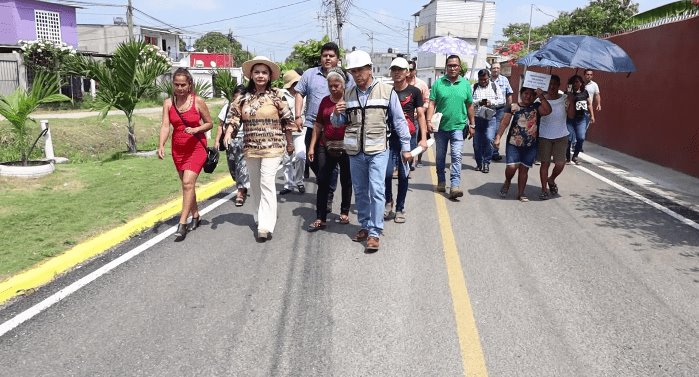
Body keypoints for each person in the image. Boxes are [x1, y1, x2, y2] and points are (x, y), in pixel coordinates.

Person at [343, 50, 412, 253]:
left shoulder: (386, 91)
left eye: (360, 70)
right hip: (355, 151)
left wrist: (406, 148)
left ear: (370, 69)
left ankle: (374, 232)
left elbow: (399, 121)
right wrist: (336, 116)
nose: (356, 75)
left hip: (378, 149)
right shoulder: (348, 93)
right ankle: (364, 225)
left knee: (377, 190)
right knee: (361, 191)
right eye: (353, 71)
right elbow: (343, 122)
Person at [223, 56, 294, 242]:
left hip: (274, 146)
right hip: (251, 147)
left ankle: (266, 225)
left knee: (267, 181)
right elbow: (234, 118)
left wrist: (290, 143)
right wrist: (228, 132)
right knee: (254, 184)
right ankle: (258, 215)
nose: (260, 75)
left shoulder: (278, 95)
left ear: (270, 76)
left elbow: (287, 120)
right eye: (257, 72)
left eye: (264, 72)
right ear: (251, 75)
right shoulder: (242, 98)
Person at [158, 68, 214, 241]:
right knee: (186, 184)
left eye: (183, 84)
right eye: (177, 84)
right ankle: (196, 214)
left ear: (190, 84)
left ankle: (182, 224)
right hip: (178, 149)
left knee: (188, 183)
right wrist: (161, 144)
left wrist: (197, 128)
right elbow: (166, 126)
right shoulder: (168, 103)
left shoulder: (198, 101)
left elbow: (210, 123)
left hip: (196, 147)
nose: (180, 88)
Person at [306, 68, 353, 231]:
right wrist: (312, 146)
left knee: (346, 179)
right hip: (325, 145)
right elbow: (318, 124)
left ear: (343, 84)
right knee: (323, 179)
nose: (333, 88)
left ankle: (344, 212)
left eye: (337, 85)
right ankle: (320, 217)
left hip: (347, 147)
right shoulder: (325, 101)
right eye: (331, 85)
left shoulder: (351, 101)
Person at [425, 54, 475, 200]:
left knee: (456, 156)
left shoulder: (465, 84)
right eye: (450, 65)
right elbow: (432, 103)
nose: (453, 68)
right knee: (440, 156)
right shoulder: (438, 84)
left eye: (455, 65)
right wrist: (428, 121)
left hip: (458, 127)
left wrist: (472, 124)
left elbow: (470, 105)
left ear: (460, 67)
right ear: (446, 67)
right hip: (440, 128)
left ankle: (455, 185)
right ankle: (441, 180)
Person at [384, 57, 427, 223]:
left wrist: (423, 138)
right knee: (387, 173)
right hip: (388, 138)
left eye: (400, 69)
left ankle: (400, 208)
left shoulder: (414, 92)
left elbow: (421, 115)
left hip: (408, 138)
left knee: (403, 175)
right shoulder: (386, 92)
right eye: (394, 69)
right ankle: (389, 202)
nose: (397, 72)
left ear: (407, 72)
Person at [493, 86, 551, 202]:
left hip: (530, 145)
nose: (528, 96)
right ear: (520, 93)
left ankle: (521, 193)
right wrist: (498, 137)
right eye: (525, 93)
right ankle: (507, 181)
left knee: (524, 170)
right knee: (512, 167)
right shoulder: (513, 107)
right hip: (513, 144)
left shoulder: (536, 107)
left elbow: (548, 111)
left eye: (531, 94)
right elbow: (504, 123)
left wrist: (541, 96)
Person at [214, 85, 250, 207]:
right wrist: (217, 141)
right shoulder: (227, 107)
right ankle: (241, 184)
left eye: (240, 98)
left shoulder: (248, 107)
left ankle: (240, 192)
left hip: (244, 140)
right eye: (235, 97)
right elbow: (220, 125)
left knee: (242, 165)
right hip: (229, 140)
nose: (237, 100)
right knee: (233, 167)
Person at [537, 75, 569, 200]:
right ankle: (544, 189)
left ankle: (551, 179)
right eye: (550, 84)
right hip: (545, 135)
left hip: (561, 135)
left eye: (555, 84)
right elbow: (541, 113)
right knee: (545, 164)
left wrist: (570, 101)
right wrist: (540, 97)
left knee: (560, 163)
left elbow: (571, 115)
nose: (552, 86)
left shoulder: (565, 98)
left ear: (559, 85)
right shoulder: (539, 100)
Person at [279, 70, 307, 195]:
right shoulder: (282, 95)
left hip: (301, 130)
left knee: (301, 156)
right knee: (287, 159)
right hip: (285, 131)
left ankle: (299, 181)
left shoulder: (304, 93)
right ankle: (288, 184)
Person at [471, 68, 505, 174]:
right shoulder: (474, 87)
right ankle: (479, 163)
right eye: (481, 79)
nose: (483, 81)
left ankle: (486, 163)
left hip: (490, 119)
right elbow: (469, 102)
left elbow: (502, 100)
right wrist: (480, 102)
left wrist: (492, 103)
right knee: (477, 143)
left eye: (485, 79)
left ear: (488, 78)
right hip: (477, 119)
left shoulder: (495, 87)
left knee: (489, 140)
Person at [406, 59, 430, 168]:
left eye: (411, 70)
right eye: (408, 69)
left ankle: (413, 160)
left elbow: (427, 101)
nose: (409, 72)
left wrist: (421, 110)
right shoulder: (401, 83)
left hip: (417, 117)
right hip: (403, 118)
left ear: (415, 71)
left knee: (416, 139)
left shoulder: (421, 84)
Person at [566, 74, 595, 164]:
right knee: (569, 138)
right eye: (573, 82)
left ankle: (575, 156)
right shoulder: (568, 93)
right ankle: (567, 157)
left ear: (581, 83)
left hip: (581, 118)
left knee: (581, 138)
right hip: (570, 119)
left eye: (577, 82)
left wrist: (592, 115)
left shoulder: (585, 92)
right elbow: (565, 105)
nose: (575, 84)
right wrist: (569, 95)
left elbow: (589, 104)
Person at [490, 61, 513, 161]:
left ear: (500, 69)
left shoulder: (504, 80)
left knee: (498, 130)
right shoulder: (487, 79)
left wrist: (509, 108)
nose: (496, 70)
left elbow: (509, 94)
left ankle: (494, 152)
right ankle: (488, 151)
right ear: (491, 69)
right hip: (489, 109)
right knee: (490, 130)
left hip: (500, 109)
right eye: (494, 68)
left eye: (497, 68)